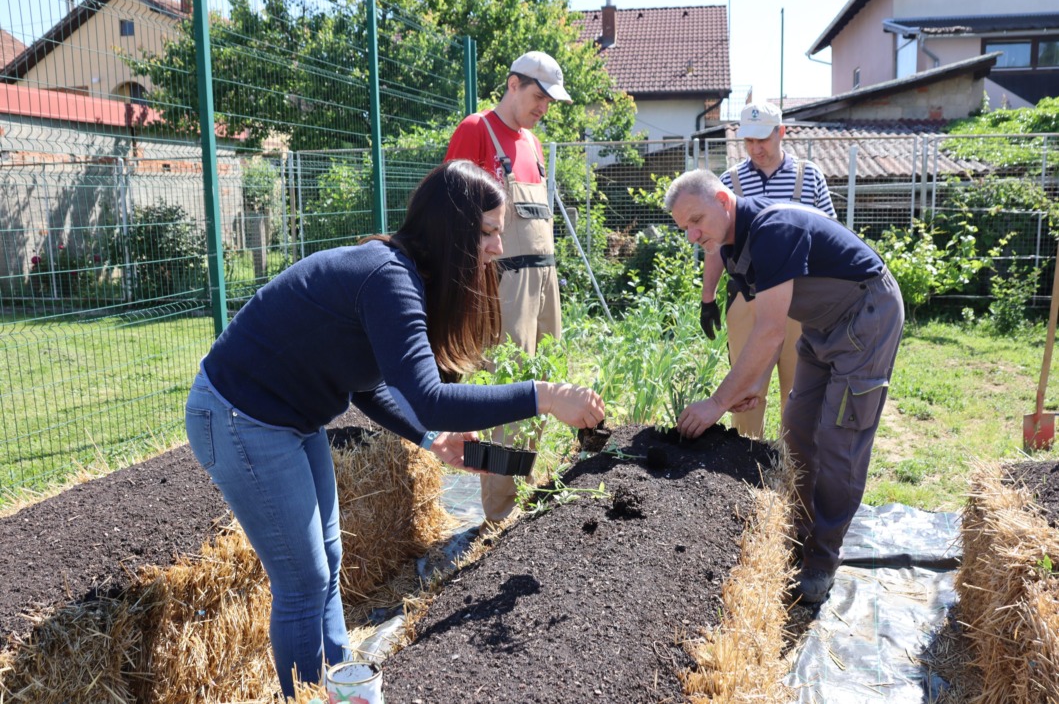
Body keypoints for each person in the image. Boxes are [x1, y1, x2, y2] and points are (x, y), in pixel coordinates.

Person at [184, 160, 605, 698]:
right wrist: (544, 396)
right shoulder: (389, 279)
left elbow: (366, 384)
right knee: (302, 580)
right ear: (454, 232)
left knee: (328, 560)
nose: (499, 247)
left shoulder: (406, 279)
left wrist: (432, 440)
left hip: (290, 418)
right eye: (488, 232)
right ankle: (307, 694)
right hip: (239, 416)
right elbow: (430, 399)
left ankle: (343, 687)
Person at [664, 169, 903, 605]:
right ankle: (798, 530)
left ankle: (822, 558)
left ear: (722, 199)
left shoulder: (773, 229)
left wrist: (718, 402)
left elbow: (773, 331)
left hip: (867, 314)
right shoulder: (734, 248)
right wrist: (749, 385)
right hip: (821, 324)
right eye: (685, 228)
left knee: (839, 438)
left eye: (696, 220)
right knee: (796, 423)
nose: (693, 235)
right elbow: (762, 325)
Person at [444, 50, 572, 523]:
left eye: (549, 101)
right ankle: (497, 514)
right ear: (513, 84)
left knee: (543, 388)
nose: (543, 108)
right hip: (502, 284)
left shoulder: (533, 144)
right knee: (505, 394)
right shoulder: (476, 129)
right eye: (538, 96)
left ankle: (520, 496)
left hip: (544, 282)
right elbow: (453, 215)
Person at [699, 102, 836, 439]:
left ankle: (795, 474)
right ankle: (744, 475)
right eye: (749, 141)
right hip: (748, 298)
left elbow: (829, 237)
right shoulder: (729, 182)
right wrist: (708, 298)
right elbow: (715, 246)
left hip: (800, 301)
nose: (756, 148)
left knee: (800, 391)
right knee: (746, 390)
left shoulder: (809, 177)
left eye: (763, 139)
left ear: (781, 132)